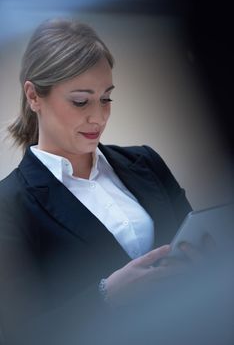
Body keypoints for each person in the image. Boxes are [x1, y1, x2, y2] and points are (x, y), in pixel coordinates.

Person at [0, 18, 198, 345]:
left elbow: (192, 241)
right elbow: (18, 332)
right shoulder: (9, 205)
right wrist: (107, 295)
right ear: (34, 96)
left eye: (106, 98)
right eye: (81, 101)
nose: (99, 117)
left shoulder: (145, 161)